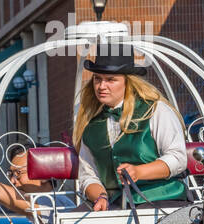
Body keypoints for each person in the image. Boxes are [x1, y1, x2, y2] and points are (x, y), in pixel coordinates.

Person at [73, 45, 188, 211]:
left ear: (128, 82)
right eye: (97, 79)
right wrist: (100, 196)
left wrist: (139, 172)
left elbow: (178, 158)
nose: (101, 86)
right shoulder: (90, 126)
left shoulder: (156, 110)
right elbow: (88, 175)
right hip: (115, 205)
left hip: (162, 200)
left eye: (111, 79)